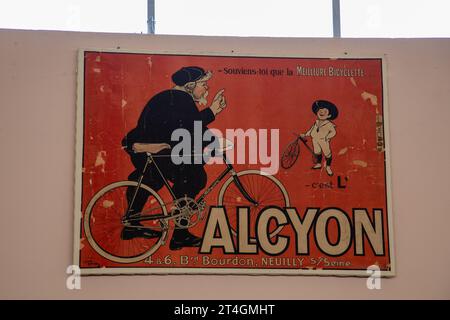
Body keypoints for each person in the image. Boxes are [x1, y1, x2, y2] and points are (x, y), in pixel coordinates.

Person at [121, 66, 226, 250]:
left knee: (156, 179)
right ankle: (179, 235)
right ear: (190, 85)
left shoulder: (175, 98)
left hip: (152, 150)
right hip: (156, 151)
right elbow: (188, 126)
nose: (206, 89)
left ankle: (135, 224)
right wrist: (212, 112)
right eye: (203, 84)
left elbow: (191, 128)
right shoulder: (178, 98)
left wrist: (214, 141)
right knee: (194, 177)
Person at [301, 100, 339, 176]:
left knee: (327, 153)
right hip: (315, 139)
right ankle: (319, 164)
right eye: (320, 110)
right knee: (317, 152)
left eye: (325, 111)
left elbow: (333, 132)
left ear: (329, 115)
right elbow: (312, 130)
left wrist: (327, 137)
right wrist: (305, 134)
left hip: (323, 140)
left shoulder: (329, 124)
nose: (321, 112)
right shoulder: (316, 122)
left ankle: (328, 167)